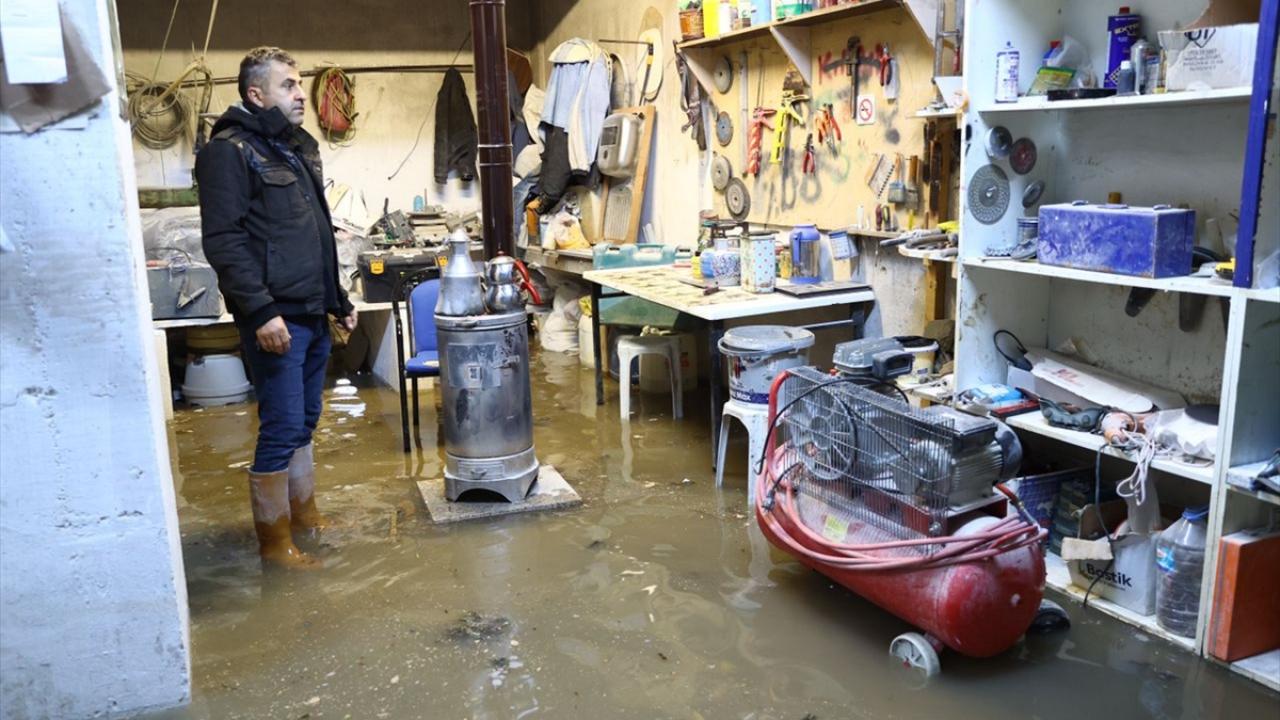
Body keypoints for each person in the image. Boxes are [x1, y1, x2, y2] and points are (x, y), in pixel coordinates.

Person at [197, 46, 356, 569]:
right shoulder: (230, 151)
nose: (300, 94)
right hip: (276, 317)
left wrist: (339, 299)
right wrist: (261, 312)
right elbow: (224, 241)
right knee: (283, 424)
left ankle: (303, 515)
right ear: (255, 93)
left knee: (306, 419)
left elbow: (317, 237)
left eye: (298, 83)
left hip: (310, 311)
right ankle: (273, 543)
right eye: (288, 85)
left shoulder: (293, 149)